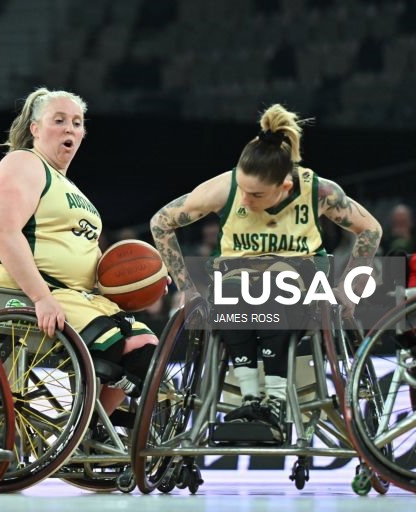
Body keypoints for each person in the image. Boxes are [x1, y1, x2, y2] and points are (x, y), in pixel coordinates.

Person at [150, 104, 382, 442]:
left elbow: (370, 230)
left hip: (297, 281)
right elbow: (160, 222)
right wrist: (185, 286)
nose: (244, 199)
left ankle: (274, 399)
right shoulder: (223, 188)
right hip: (236, 282)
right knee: (235, 291)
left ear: (285, 187)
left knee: (275, 285)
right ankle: (251, 398)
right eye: (242, 188)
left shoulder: (317, 191)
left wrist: (351, 289)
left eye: (255, 194)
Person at [0, 87, 162, 415]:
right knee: (109, 344)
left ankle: (93, 427)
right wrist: (40, 297)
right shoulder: (24, 162)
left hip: (77, 297)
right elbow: (4, 232)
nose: (70, 129)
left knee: (146, 348)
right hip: (28, 290)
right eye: (59, 120)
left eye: (77, 123)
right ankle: (73, 428)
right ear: (35, 128)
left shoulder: (70, 187)